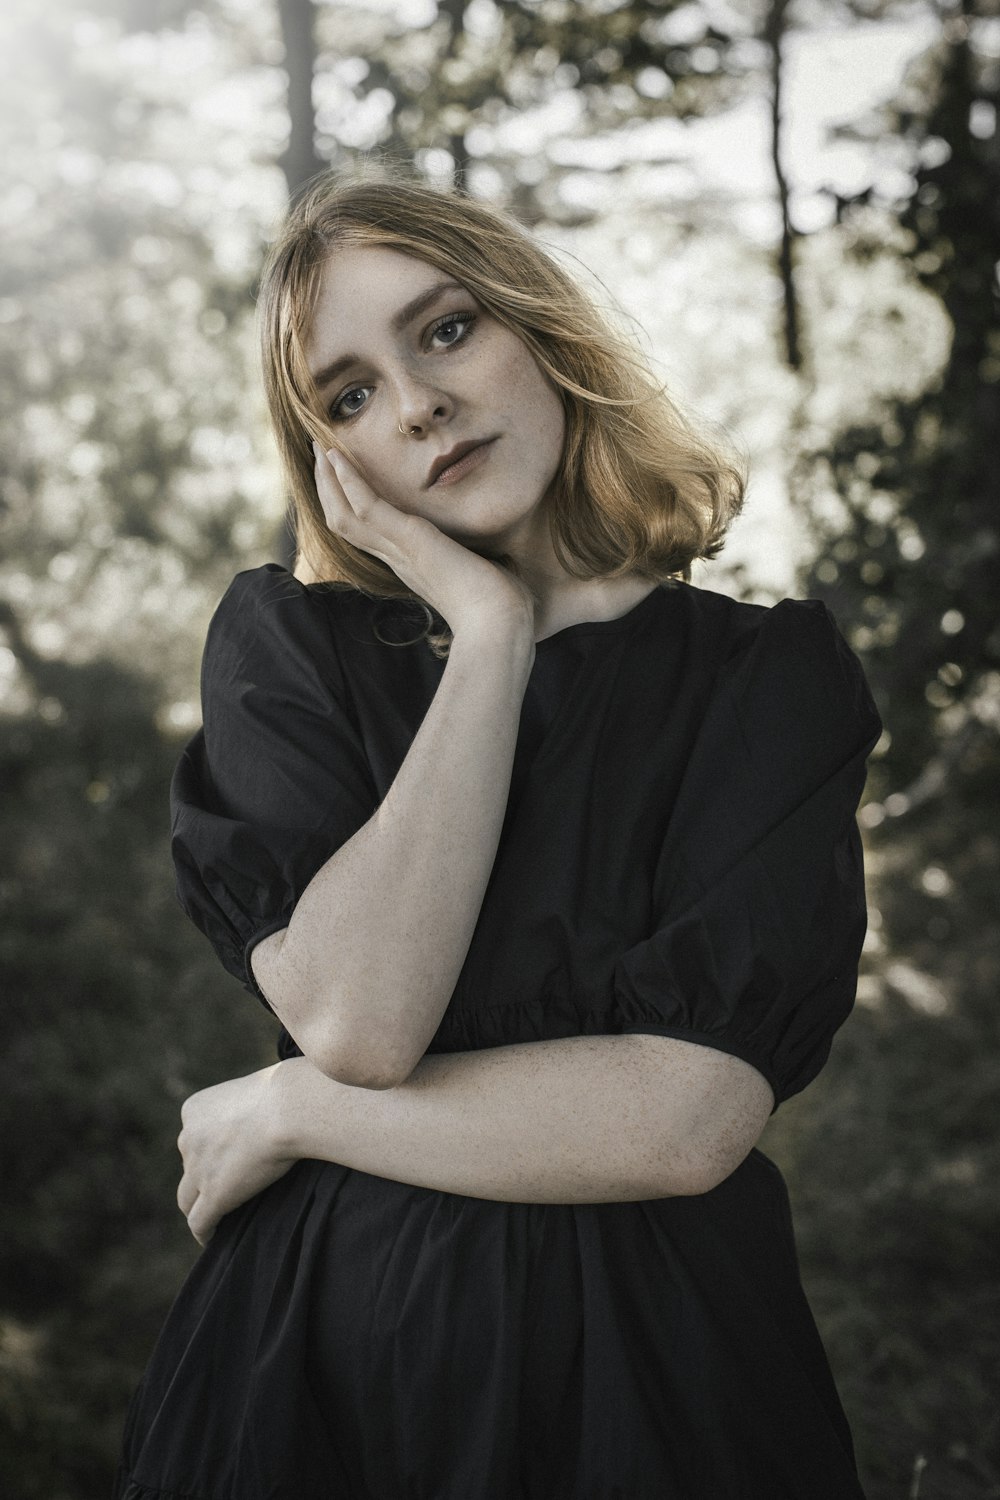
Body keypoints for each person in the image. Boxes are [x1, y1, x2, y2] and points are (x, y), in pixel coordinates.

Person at [115, 172, 882, 1500]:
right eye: (348, 396)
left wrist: (295, 1105)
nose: (415, 405)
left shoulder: (765, 679)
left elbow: (686, 1120)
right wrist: (487, 638)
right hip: (320, 1385)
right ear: (332, 461)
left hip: (661, 1386)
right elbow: (364, 1018)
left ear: (538, 326)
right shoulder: (290, 657)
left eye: (447, 329)